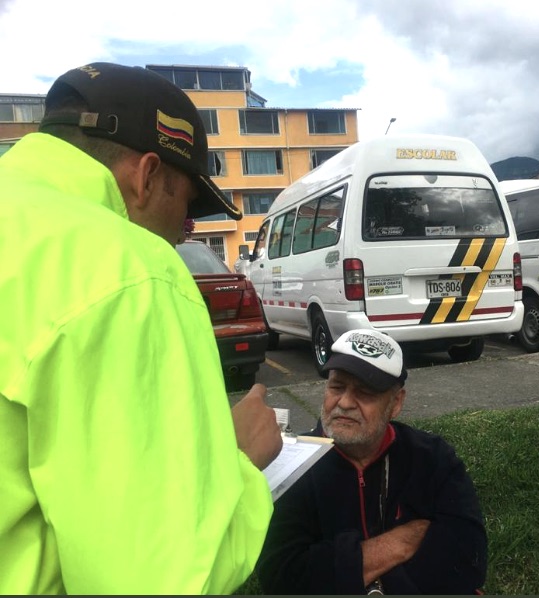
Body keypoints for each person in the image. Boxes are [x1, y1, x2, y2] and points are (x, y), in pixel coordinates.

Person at [0, 62, 282, 594]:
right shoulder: (130, 272)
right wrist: (240, 463)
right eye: (187, 209)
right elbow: (165, 579)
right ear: (147, 175)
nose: (184, 232)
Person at [256, 329, 487, 595]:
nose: (344, 402)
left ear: (396, 402)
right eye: (336, 386)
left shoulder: (432, 458)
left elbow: (468, 559)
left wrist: (343, 571)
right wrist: (400, 542)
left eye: (364, 392)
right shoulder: (291, 465)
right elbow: (284, 577)